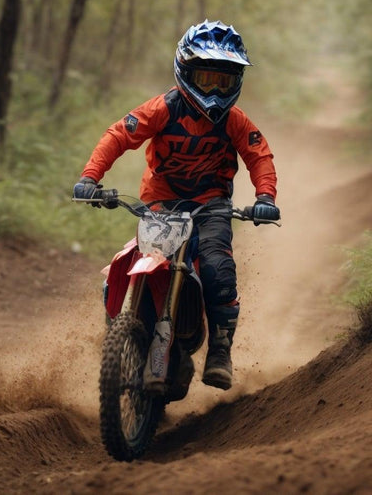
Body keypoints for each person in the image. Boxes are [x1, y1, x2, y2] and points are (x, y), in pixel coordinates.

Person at [73, 20, 279, 390]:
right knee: (137, 258)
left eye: (223, 82)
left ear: (236, 82)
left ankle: (220, 351)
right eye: (205, 78)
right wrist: (90, 178)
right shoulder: (164, 108)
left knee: (217, 269)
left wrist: (265, 197)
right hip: (161, 201)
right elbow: (119, 135)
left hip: (211, 205)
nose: (214, 90)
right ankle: (122, 329)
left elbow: (258, 154)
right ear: (185, 71)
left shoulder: (234, 120)